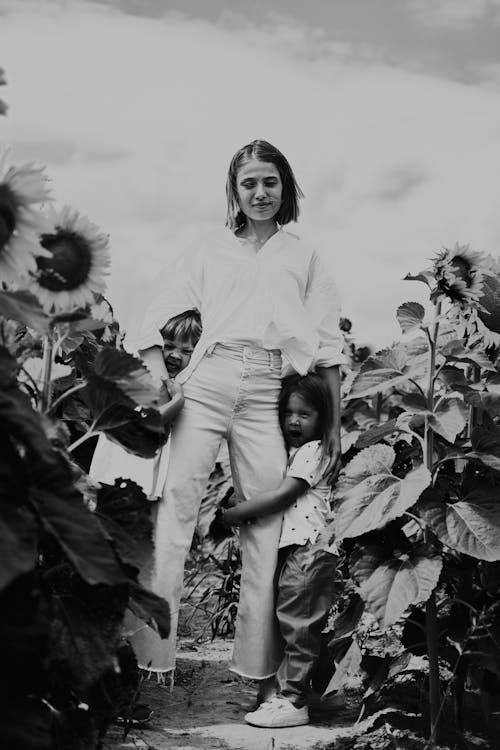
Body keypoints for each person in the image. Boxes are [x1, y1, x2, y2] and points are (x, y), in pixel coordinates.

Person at [126, 139, 347, 689]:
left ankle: (259, 669)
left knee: (267, 523)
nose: (260, 193)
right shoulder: (209, 249)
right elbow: (150, 316)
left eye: (270, 181)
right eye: (248, 183)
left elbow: (326, 348)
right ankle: (153, 663)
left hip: (270, 386)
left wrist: (336, 425)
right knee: (175, 516)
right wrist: (165, 382)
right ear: (235, 191)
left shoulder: (304, 255)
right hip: (207, 381)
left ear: (286, 186)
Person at [222, 373, 340, 727]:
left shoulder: (314, 450)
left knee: (298, 627)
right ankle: (326, 691)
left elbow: (283, 495)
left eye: (304, 414)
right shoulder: (297, 451)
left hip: (309, 551)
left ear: (323, 418)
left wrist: (233, 514)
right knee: (302, 623)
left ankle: (293, 701)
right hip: (303, 552)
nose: (293, 421)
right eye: (288, 413)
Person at [89, 310, 201, 501]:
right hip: (120, 472)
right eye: (169, 346)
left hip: (135, 477)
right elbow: (146, 422)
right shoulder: (144, 378)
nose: (175, 355)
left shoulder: (181, 383)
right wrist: (177, 402)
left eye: (186, 351)